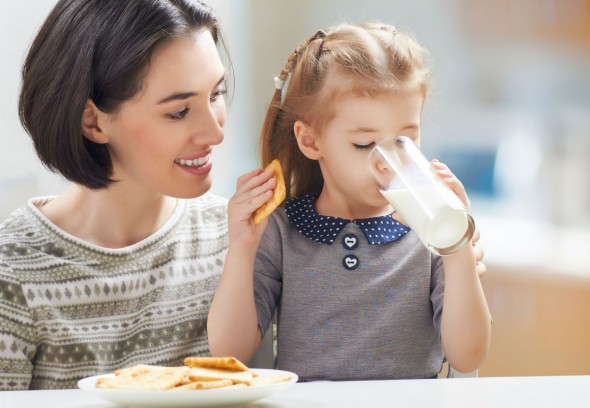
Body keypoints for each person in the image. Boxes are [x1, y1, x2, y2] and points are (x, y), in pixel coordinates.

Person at [208, 22, 491, 381]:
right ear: (310, 141)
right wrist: (242, 249)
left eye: (405, 140)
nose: (388, 162)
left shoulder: (430, 229)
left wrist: (457, 251)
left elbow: (468, 357)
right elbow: (228, 353)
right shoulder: (282, 230)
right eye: (364, 144)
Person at [0, 0, 231, 390]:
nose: (215, 133)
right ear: (92, 120)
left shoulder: (236, 239)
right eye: (179, 111)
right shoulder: (14, 271)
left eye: (216, 95)